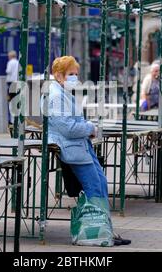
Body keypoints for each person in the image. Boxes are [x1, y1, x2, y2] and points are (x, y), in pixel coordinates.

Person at [45, 55, 131, 246]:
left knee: (100, 182)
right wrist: (90, 128)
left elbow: (73, 124)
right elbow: (67, 128)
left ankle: (105, 229)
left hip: (80, 146)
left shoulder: (64, 93)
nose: (75, 77)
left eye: (76, 74)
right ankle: (97, 232)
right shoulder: (56, 96)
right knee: (93, 185)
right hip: (72, 148)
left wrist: (86, 128)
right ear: (59, 76)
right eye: (71, 74)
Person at [6, 50, 19, 124]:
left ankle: (11, 120)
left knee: (10, 102)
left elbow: (8, 71)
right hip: (18, 83)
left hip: (11, 84)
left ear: (10, 56)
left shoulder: (10, 63)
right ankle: (16, 119)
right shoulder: (18, 62)